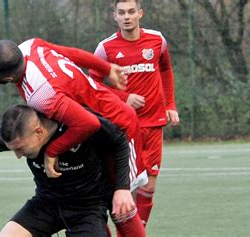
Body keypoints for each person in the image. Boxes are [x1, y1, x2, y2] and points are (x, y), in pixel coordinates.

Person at [0, 39, 148, 235]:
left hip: (117, 127)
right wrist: (106, 68)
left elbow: (89, 124)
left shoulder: (41, 96)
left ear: (8, 78)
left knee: (120, 205)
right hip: (93, 128)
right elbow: (72, 52)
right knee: (95, 208)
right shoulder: (30, 46)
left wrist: (52, 150)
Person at [0, 104, 145, 237]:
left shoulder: (80, 124)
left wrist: (122, 188)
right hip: (46, 204)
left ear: (39, 131)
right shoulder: (17, 134)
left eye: (20, 149)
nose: (18, 155)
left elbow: (118, 140)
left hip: (87, 209)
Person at [89, 0, 180, 226]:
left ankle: (138, 231)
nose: (127, 16)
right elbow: (92, 84)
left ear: (140, 13)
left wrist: (170, 105)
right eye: (122, 13)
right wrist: (124, 98)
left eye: (131, 12)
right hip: (124, 127)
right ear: (115, 17)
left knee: (149, 187)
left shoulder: (157, 41)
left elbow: (166, 70)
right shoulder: (105, 48)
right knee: (126, 189)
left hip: (154, 123)